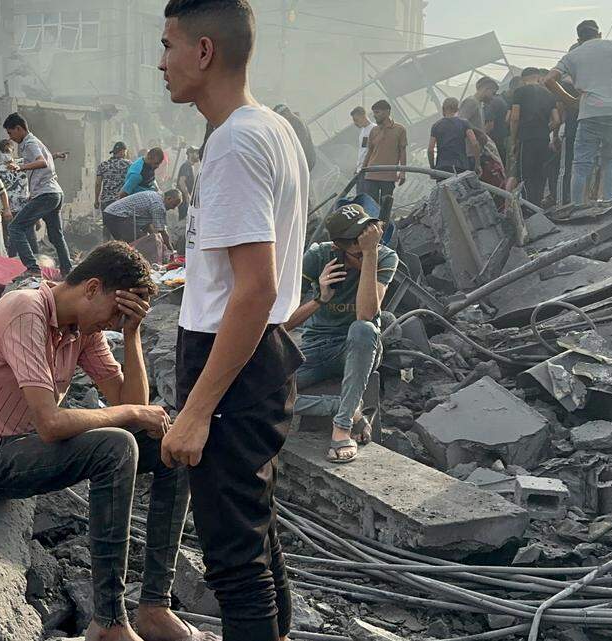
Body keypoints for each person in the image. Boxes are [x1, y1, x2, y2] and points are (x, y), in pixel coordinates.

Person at [0, 242, 193, 641]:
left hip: (25, 444)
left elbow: (131, 403)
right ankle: (108, 623)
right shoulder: (26, 310)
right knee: (116, 448)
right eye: (116, 313)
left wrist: (132, 335)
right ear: (92, 288)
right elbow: (51, 423)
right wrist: (131, 414)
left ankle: (154, 607)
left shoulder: (82, 330)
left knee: (170, 446)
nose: (113, 324)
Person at [158, 1, 309, 639]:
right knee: (255, 533)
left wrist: (197, 410)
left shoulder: (235, 143)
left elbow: (255, 289)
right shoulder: (271, 128)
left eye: (168, 45)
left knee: (233, 561)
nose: (161, 63)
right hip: (258, 353)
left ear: (204, 51)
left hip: (230, 359)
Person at [286, 204, 396, 464]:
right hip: (314, 347)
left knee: (363, 329)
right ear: (339, 247)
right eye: (357, 253)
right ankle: (341, 407)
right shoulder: (318, 256)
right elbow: (282, 324)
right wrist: (319, 299)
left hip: (358, 348)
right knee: (257, 392)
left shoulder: (383, 257)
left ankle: (342, 426)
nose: (363, 257)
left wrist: (370, 254)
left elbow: (366, 315)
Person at [545, 20, 612, 204]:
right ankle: (608, 201)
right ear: (599, 34)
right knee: (609, 159)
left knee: (581, 164)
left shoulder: (572, 55)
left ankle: (577, 206)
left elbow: (549, 79)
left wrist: (571, 101)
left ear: (579, 39)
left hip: (591, 111)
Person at [3, 112, 73, 278]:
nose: (11, 138)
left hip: (46, 194)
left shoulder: (30, 143)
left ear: (19, 128)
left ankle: (33, 267)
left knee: (15, 228)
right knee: (56, 236)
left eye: (11, 133)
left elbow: (42, 162)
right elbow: (45, 160)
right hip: (54, 193)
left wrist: (20, 168)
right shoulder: (34, 142)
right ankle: (67, 271)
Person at [510, 68, 561, 206]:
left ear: (523, 79)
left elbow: (514, 118)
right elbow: (557, 120)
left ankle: (528, 208)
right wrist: (545, 129)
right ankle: (538, 204)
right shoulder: (549, 94)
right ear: (538, 77)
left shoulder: (519, 92)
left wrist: (513, 140)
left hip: (526, 138)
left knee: (525, 175)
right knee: (540, 174)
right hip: (543, 139)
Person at [361, 100, 407, 221]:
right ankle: (372, 229)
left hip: (388, 176)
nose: (375, 115)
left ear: (387, 112)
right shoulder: (374, 130)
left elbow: (402, 151)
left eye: (377, 112)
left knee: (386, 207)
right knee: (371, 208)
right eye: (374, 113)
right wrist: (363, 169)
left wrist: (403, 172)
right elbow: (369, 152)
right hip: (371, 175)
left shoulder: (400, 129)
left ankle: (384, 228)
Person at [102, 189, 182, 249]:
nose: (173, 208)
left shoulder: (155, 195)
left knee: (127, 243)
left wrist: (155, 239)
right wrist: (169, 248)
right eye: (173, 205)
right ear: (169, 198)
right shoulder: (158, 205)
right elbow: (161, 231)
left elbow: (148, 226)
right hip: (117, 215)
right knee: (141, 242)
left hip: (110, 213)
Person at [0, 138, 34, 256]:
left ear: (13, 151)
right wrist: (3, 209)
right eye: (3, 151)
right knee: (11, 240)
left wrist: (56, 156)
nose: (6, 154)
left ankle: (36, 261)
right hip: (8, 210)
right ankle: (11, 261)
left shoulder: (23, 164)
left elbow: (41, 161)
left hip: (25, 207)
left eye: (8, 151)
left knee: (30, 237)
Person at [428, 97, 480, 176]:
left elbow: (430, 150)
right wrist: (477, 165)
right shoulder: (464, 123)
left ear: (443, 109)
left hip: (442, 168)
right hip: (461, 166)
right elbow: (475, 143)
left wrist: (432, 168)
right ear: (457, 109)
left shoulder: (436, 126)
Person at [95, 142, 132, 236]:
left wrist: (96, 200)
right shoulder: (128, 164)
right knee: (121, 226)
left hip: (106, 201)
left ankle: (105, 242)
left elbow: (98, 184)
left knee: (107, 226)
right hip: (121, 200)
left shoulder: (103, 165)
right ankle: (121, 243)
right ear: (122, 151)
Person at [274, 103, 317, 170]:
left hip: (306, 161)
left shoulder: (295, 123)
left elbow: (301, 145)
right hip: (308, 159)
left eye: (280, 117)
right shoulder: (297, 119)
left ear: (286, 113)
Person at [351, 106, 375, 190]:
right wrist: (358, 167)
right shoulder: (363, 132)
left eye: (356, 120)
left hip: (368, 169)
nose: (355, 123)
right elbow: (363, 151)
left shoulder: (374, 129)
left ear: (363, 116)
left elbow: (373, 151)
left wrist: (364, 166)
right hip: (361, 169)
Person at [175, 146, 200, 219]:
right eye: (196, 153)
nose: (198, 156)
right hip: (183, 200)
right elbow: (181, 182)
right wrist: (187, 196)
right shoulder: (186, 166)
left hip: (186, 199)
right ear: (190, 154)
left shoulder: (191, 166)